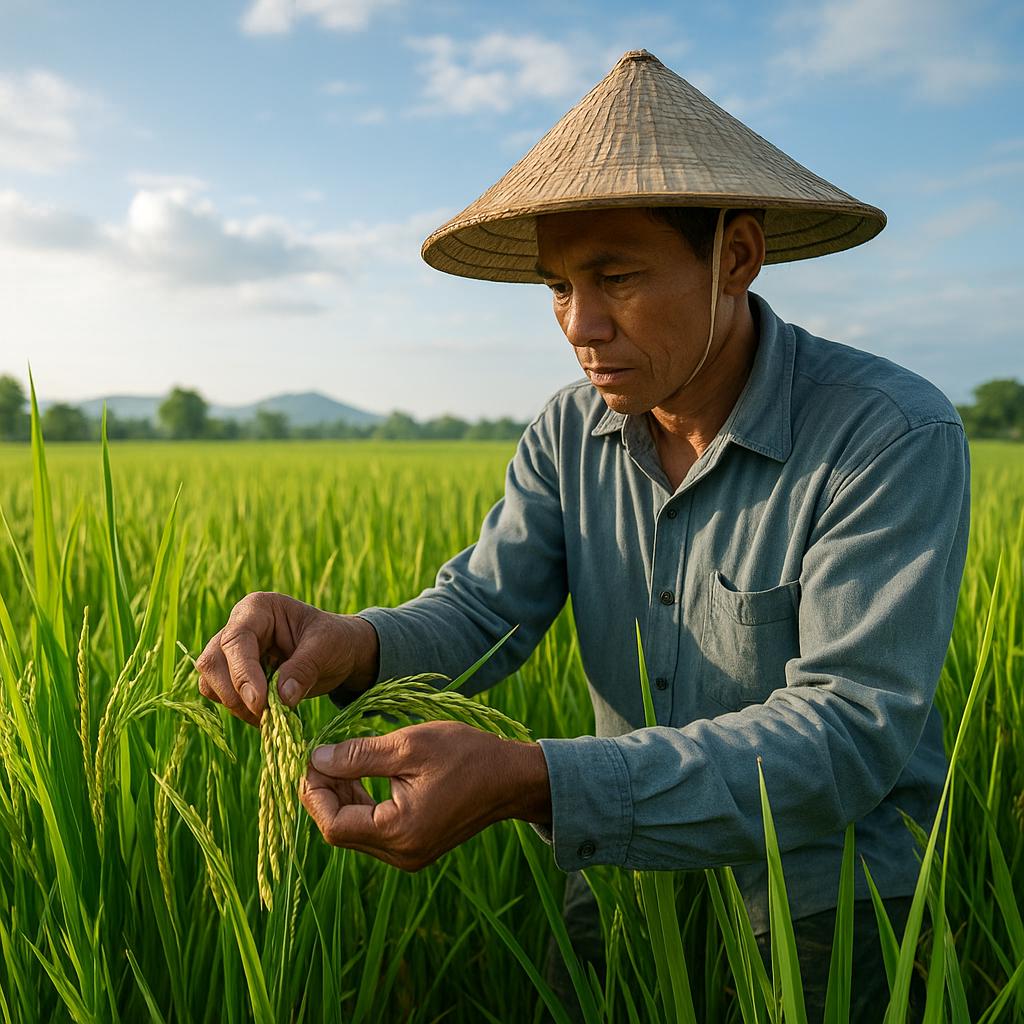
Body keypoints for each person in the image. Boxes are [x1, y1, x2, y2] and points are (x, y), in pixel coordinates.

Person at [196, 51, 968, 1022]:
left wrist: (533, 781)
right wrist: (350, 642)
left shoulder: (884, 433)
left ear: (735, 255)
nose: (579, 323)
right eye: (557, 284)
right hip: (620, 885)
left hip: (824, 902)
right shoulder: (570, 430)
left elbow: (848, 729)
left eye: (616, 276)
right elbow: (484, 606)